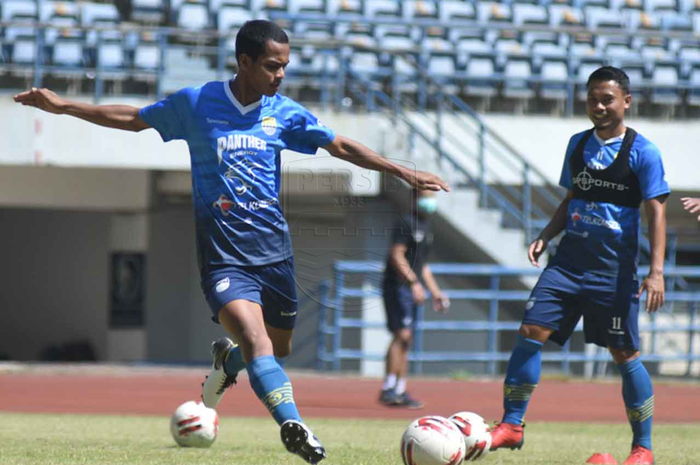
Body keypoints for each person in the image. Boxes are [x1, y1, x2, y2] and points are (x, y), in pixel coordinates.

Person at [13, 20, 449, 464]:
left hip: (275, 255)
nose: (281, 75)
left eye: (285, 66)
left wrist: (403, 172)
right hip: (223, 259)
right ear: (244, 62)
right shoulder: (197, 104)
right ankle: (293, 425)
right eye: (272, 66)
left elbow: (338, 145)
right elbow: (133, 118)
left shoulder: (283, 113)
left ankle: (227, 365)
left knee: (275, 350)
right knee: (258, 342)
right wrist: (64, 106)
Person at [488, 67, 668, 465]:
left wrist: (656, 271)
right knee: (530, 330)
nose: (599, 106)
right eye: (592, 99)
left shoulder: (644, 152)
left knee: (625, 354)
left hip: (613, 272)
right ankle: (512, 426)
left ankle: (643, 449)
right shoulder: (577, 144)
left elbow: (656, 215)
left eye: (607, 99)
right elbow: (572, 198)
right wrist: (545, 235)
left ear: (626, 102)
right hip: (567, 264)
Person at [379, 188, 450, 409]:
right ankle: (388, 387)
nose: (431, 201)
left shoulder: (427, 227)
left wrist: (436, 292)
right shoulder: (406, 222)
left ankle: (400, 389)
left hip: (412, 290)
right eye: (427, 196)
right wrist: (412, 283)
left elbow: (423, 265)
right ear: (416, 198)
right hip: (397, 287)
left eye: (432, 197)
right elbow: (397, 255)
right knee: (402, 334)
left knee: (408, 340)